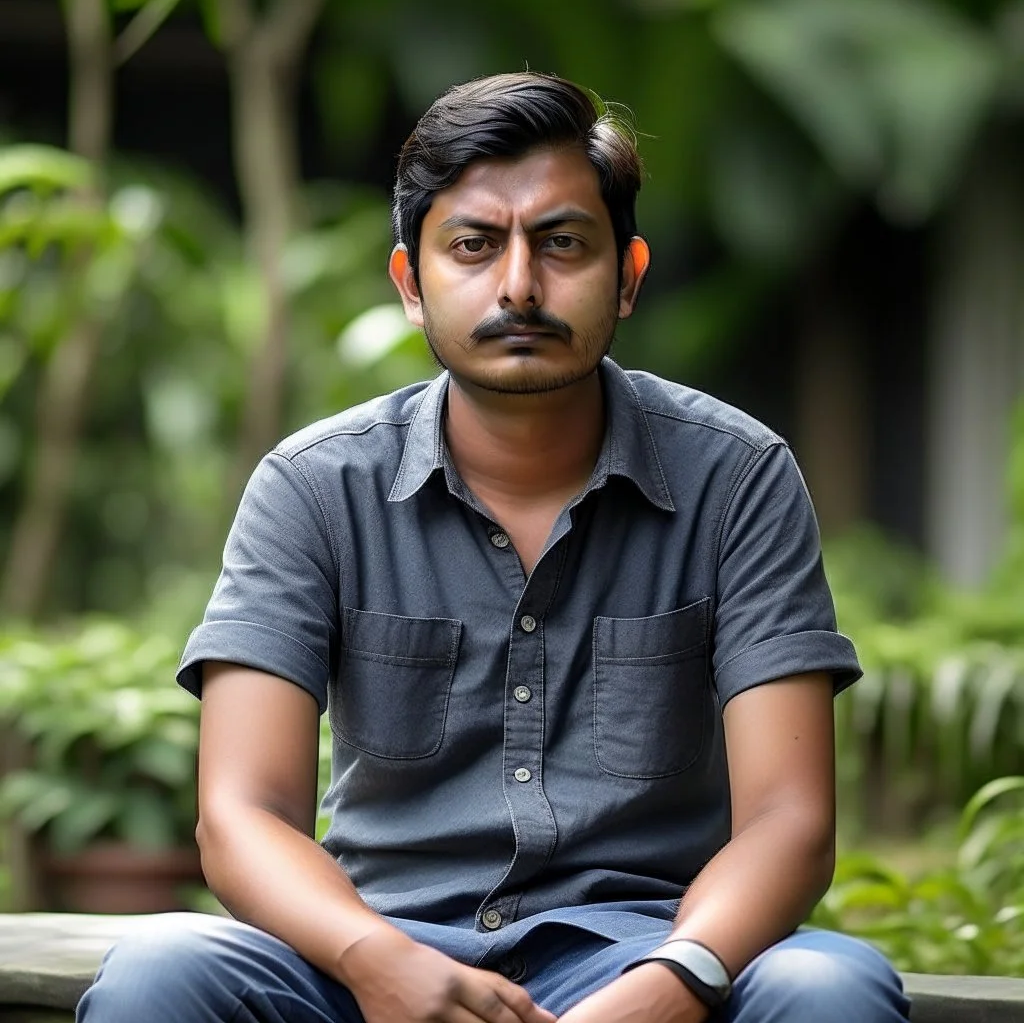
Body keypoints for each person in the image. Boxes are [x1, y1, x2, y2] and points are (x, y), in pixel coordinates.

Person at [78, 72, 910, 1023]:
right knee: (162, 970)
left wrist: (674, 984)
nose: (519, 285)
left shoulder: (736, 479)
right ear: (410, 284)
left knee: (830, 986)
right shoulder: (315, 487)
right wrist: (372, 957)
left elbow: (789, 822)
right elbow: (240, 817)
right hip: (375, 960)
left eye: (562, 243)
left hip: (645, 953)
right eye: (473, 246)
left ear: (629, 275)